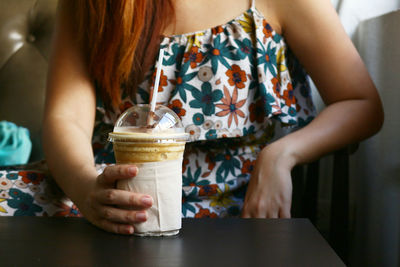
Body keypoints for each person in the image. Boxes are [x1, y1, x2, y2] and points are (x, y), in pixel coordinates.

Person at [0, 0, 383, 234]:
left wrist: (281, 155)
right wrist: (85, 187)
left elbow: (360, 103)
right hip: (108, 191)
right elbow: (67, 117)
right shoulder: (91, 3)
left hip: (228, 206)